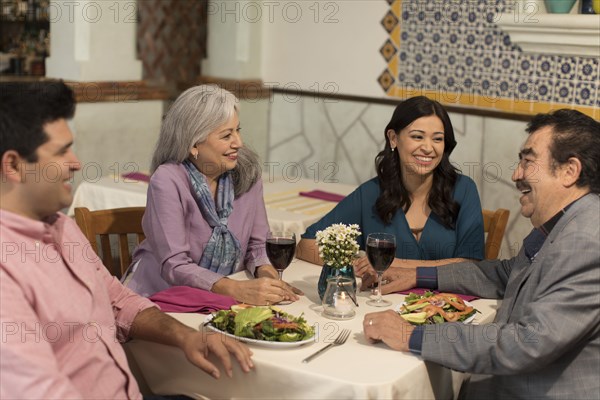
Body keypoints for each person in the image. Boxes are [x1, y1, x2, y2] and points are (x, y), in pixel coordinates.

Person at [0, 81, 254, 399]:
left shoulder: (63, 228)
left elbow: (120, 302)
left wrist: (187, 337)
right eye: (62, 151)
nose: (76, 162)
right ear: (13, 165)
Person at [363, 109, 600, 399]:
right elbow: (504, 274)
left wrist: (410, 335)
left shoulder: (587, 240)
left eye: (528, 161)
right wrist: (418, 275)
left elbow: (527, 343)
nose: (516, 174)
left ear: (569, 171)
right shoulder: (564, 224)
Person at [124, 84, 300, 305]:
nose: (239, 143)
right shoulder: (168, 180)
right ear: (193, 143)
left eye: (238, 130)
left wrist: (267, 279)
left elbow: (257, 246)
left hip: (226, 299)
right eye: (226, 135)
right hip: (162, 298)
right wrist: (236, 289)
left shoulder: (247, 174)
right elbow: (175, 265)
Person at [297, 96, 484, 275]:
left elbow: (471, 264)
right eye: (417, 137)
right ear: (393, 138)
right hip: (383, 303)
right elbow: (306, 244)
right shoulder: (370, 194)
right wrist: (356, 265)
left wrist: (392, 264)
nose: (428, 148)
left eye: (437, 139)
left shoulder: (464, 189)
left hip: (443, 304)